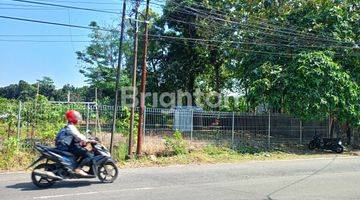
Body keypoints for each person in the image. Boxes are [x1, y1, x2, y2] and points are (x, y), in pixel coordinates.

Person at [56, 109, 93, 177]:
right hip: (68, 147)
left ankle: (74, 167)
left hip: (67, 145)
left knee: (82, 152)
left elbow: (76, 137)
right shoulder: (71, 127)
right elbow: (78, 136)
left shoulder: (70, 126)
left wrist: (83, 140)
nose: (78, 119)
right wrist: (87, 140)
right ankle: (78, 169)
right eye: (76, 117)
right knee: (89, 155)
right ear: (72, 118)